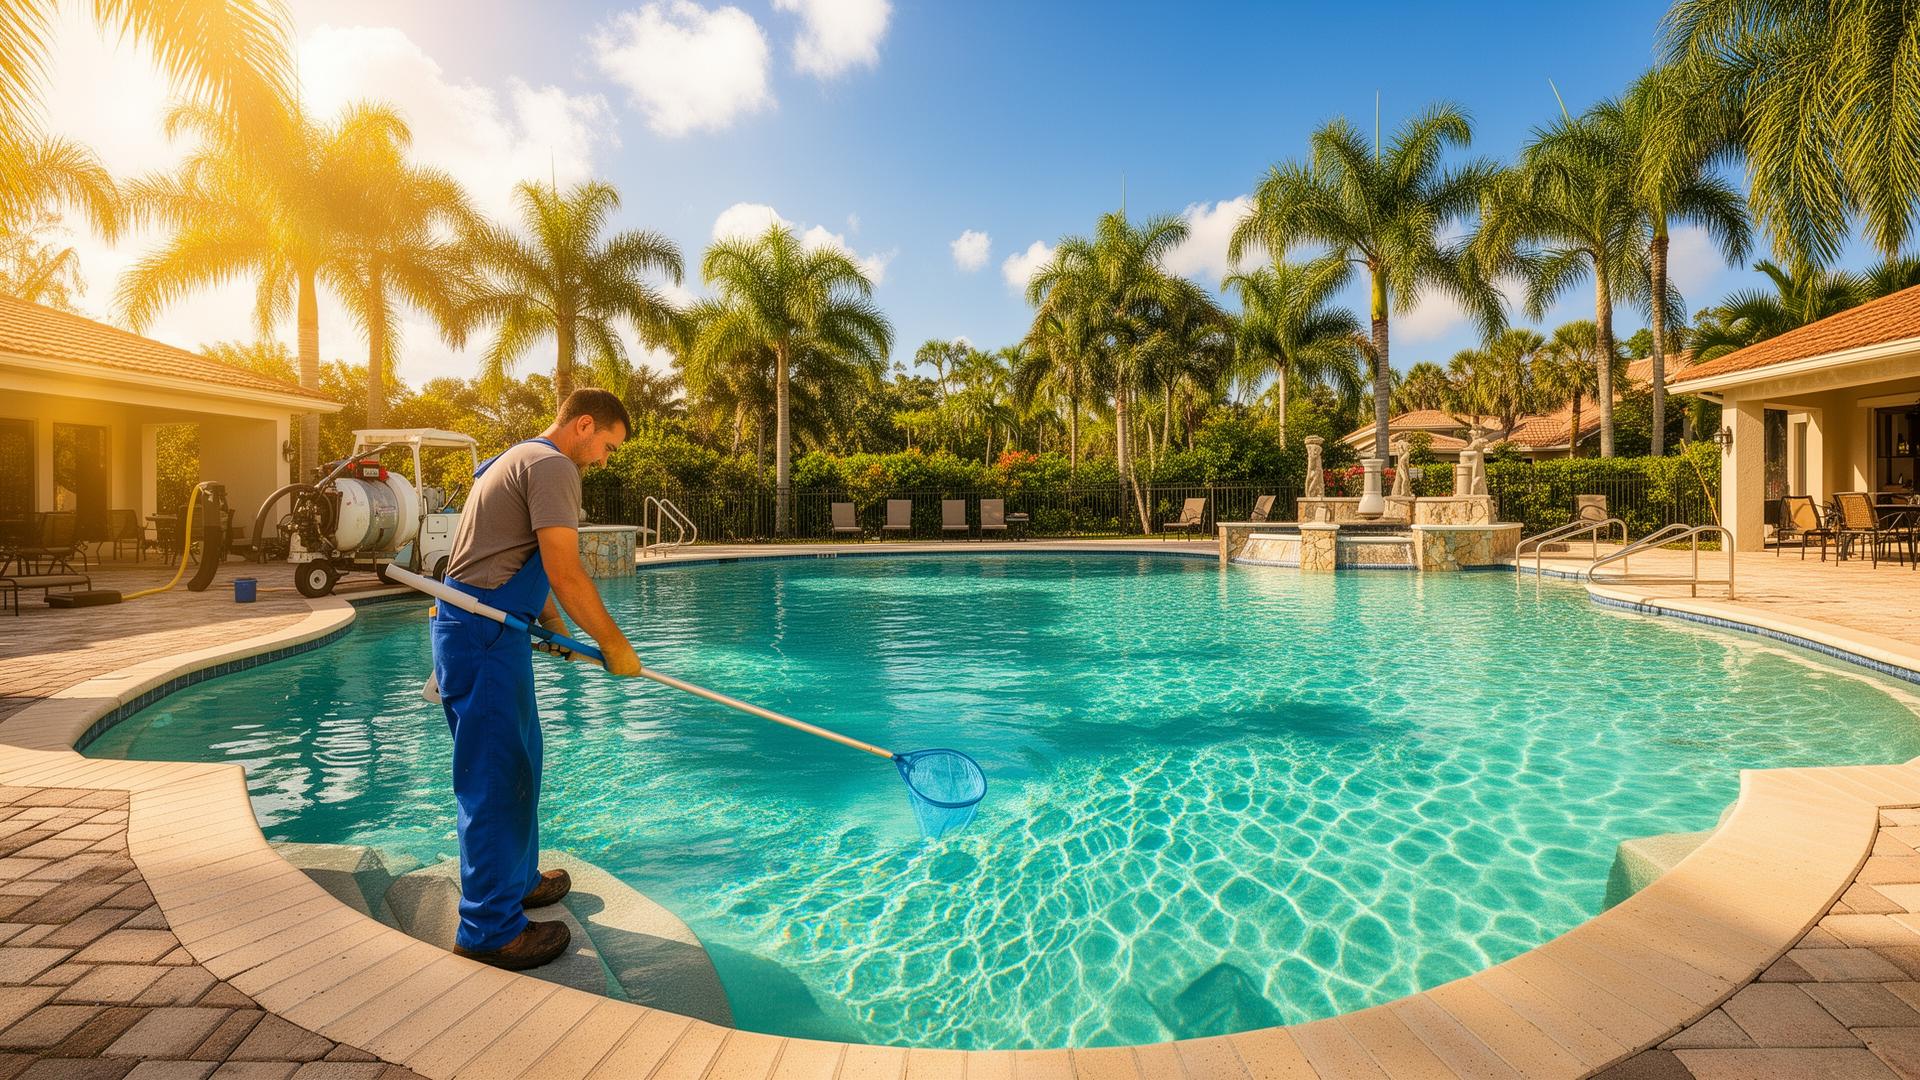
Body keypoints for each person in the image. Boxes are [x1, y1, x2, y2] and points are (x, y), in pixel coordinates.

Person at [431, 388, 644, 970]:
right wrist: (614, 645)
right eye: (606, 445)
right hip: (483, 635)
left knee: (521, 760)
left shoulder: (517, 457)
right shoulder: (552, 466)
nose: (604, 459)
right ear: (582, 425)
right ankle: (489, 931)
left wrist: (549, 624)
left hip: (496, 631)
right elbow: (564, 567)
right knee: (494, 780)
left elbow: (515, 559)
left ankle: (517, 880)